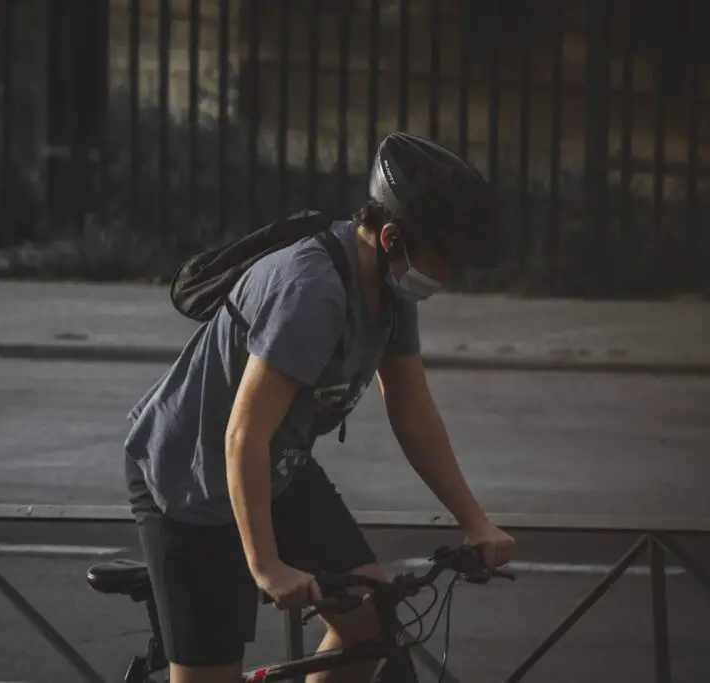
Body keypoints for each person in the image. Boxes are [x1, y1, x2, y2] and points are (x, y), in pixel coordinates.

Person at [123, 132, 516, 683]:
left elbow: (411, 407)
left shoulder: (391, 288)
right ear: (391, 236)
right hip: (191, 476)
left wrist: (474, 521)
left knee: (371, 625)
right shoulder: (313, 292)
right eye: (443, 258)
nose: (449, 275)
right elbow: (242, 435)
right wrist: (266, 566)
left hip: (277, 467)